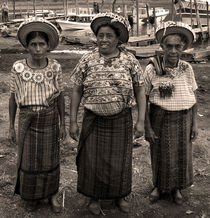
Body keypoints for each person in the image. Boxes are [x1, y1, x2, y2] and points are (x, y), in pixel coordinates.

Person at [69, 12, 146, 215]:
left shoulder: (129, 61)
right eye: (100, 35)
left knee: (119, 160)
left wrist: (141, 121)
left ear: (118, 38)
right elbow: (76, 89)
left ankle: (119, 195)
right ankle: (94, 197)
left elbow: (140, 90)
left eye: (109, 36)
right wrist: (72, 122)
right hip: (93, 119)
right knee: (91, 160)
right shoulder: (87, 60)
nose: (103, 40)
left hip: (121, 118)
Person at [9, 17, 66, 213]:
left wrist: (64, 124)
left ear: (48, 46)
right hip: (27, 118)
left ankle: (51, 195)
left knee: (50, 159)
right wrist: (10, 126)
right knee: (29, 160)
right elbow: (13, 97)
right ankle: (31, 196)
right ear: (27, 46)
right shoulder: (18, 67)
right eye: (33, 44)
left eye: (42, 44)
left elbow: (59, 97)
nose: (38, 49)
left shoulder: (55, 67)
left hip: (49, 118)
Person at [144, 21, 198, 205]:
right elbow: (143, 98)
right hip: (160, 118)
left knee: (181, 154)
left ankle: (176, 188)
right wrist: (146, 126)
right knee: (160, 153)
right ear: (162, 47)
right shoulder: (152, 68)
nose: (173, 51)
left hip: (184, 118)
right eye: (169, 46)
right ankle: (158, 187)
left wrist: (195, 124)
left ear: (183, 47)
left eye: (178, 47)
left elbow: (193, 95)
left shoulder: (187, 68)